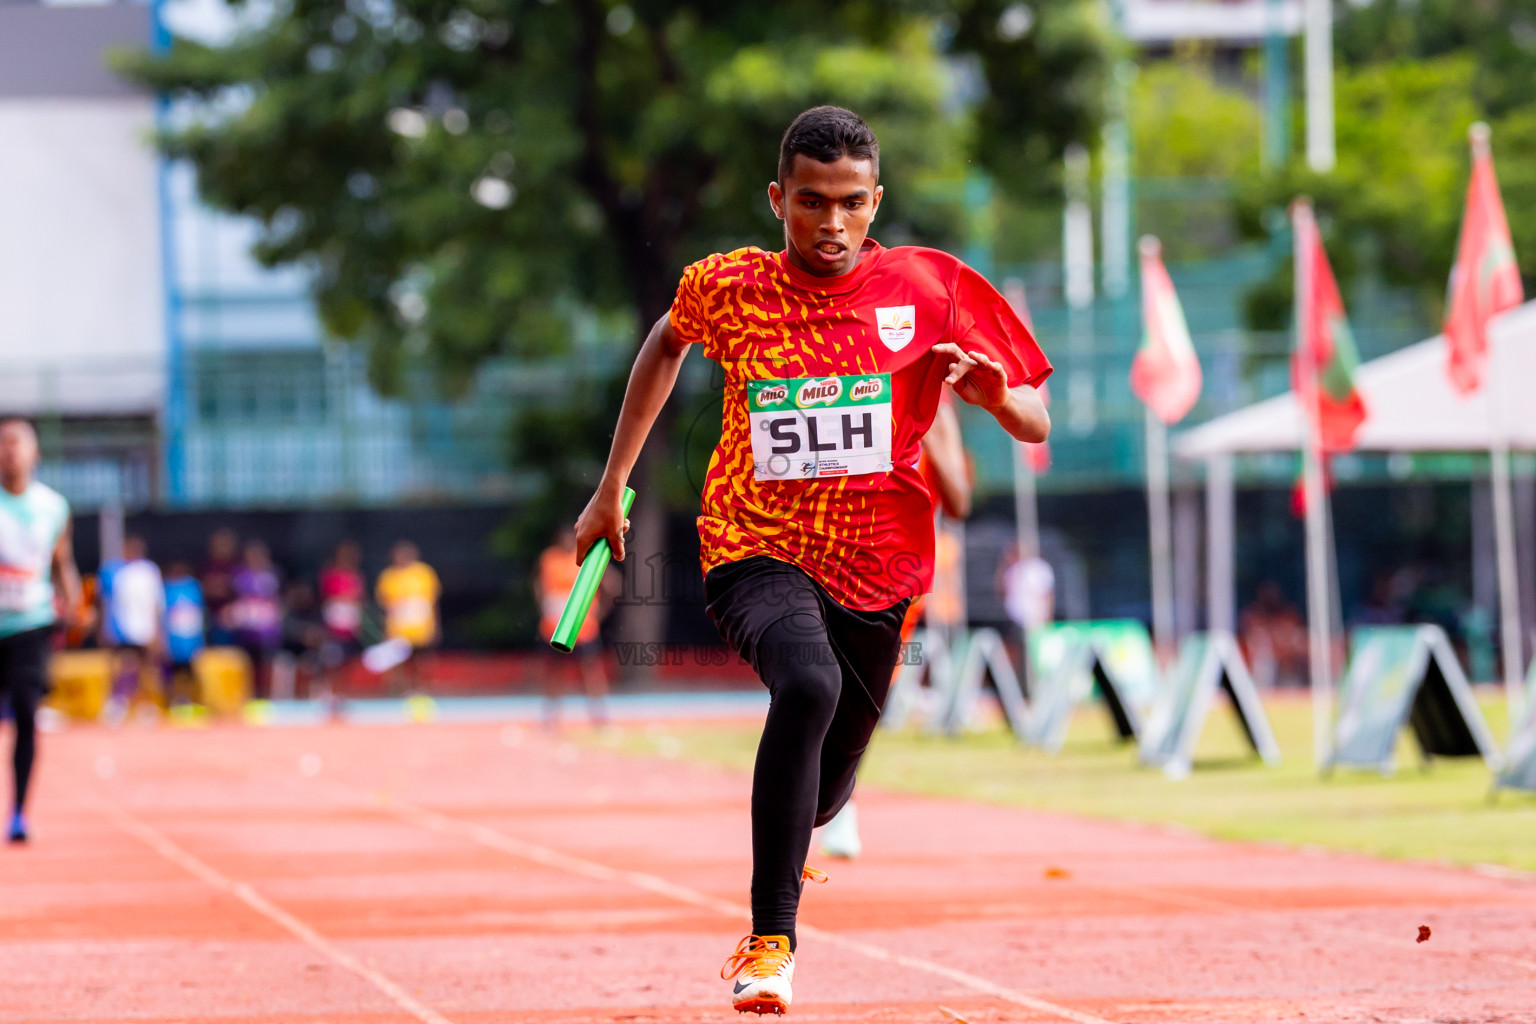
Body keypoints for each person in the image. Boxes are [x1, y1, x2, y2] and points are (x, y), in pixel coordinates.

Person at [573, 106, 1050, 1014]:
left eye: (851, 203)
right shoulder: (728, 287)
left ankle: (816, 800)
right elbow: (666, 344)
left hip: (881, 568)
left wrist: (995, 398)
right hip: (752, 543)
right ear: (777, 199)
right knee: (808, 683)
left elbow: (1035, 420)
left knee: (825, 793)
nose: (832, 223)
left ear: (877, 200)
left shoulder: (932, 287)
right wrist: (611, 486)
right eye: (811, 202)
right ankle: (771, 942)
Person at [818, 396, 973, 861]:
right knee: (818, 682)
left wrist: (933, 443)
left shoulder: (938, 412)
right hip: (834, 557)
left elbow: (960, 503)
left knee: (865, 697)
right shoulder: (861, 390)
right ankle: (817, 797)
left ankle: (839, 799)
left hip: (897, 578)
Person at [0, 418, 81, 842]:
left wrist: (75, 600)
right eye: (4, 443)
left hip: (30, 624)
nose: (10, 450)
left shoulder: (53, 507)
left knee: (27, 714)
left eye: (19, 443)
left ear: (35, 454)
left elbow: (61, 560)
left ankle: (18, 812)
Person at [536, 526, 618, 730]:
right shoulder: (549, 559)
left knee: (590, 672)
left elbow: (612, 585)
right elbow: (538, 584)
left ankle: (599, 717)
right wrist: (543, 607)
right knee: (554, 672)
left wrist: (597, 614)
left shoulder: (587, 557)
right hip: (554, 628)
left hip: (583, 629)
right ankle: (550, 717)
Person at [98, 535, 165, 722]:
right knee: (123, 666)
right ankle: (118, 703)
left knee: (148, 669)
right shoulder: (113, 571)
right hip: (121, 628)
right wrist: (105, 627)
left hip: (145, 629)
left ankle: (144, 704)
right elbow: (107, 602)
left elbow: (156, 603)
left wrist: (157, 631)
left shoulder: (149, 571)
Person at [375, 540, 439, 694]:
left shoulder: (424, 573)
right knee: (397, 661)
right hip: (397, 628)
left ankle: (421, 688)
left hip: (421, 628)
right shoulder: (388, 576)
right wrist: (384, 629)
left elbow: (433, 602)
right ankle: (398, 691)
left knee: (421, 660)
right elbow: (383, 606)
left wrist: (436, 626)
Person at [226, 540, 282, 699]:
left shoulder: (272, 576)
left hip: (267, 632)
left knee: (265, 665)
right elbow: (235, 600)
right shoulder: (240, 576)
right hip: (246, 630)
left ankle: (265, 695)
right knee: (246, 665)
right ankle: (247, 695)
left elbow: (277, 602)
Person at [317, 540, 366, 707]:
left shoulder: (357, 577)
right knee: (332, 661)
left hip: (350, 627)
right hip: (333, 628)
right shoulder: (330, 575)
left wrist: (358, 623)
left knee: (347, 662)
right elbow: (326, 601)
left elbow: (359, 602)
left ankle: (343, 694)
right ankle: (328, 693)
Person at [161, 560, 206, 706]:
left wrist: (200, 640)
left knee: (191, 672)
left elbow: (198, 614)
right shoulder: (166, 589)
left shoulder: (193, 587)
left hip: (191, 640)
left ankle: (192, 701)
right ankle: (171, 702)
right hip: (172, 641)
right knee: (169, 674)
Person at [199, 528, 240, 646]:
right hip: (209, 614)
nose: (223, 547)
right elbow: (202, 589)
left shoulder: (237, 564)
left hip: (232, 616)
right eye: (219, 543)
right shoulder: (206, 565)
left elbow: (238, 590)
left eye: (226, 544)